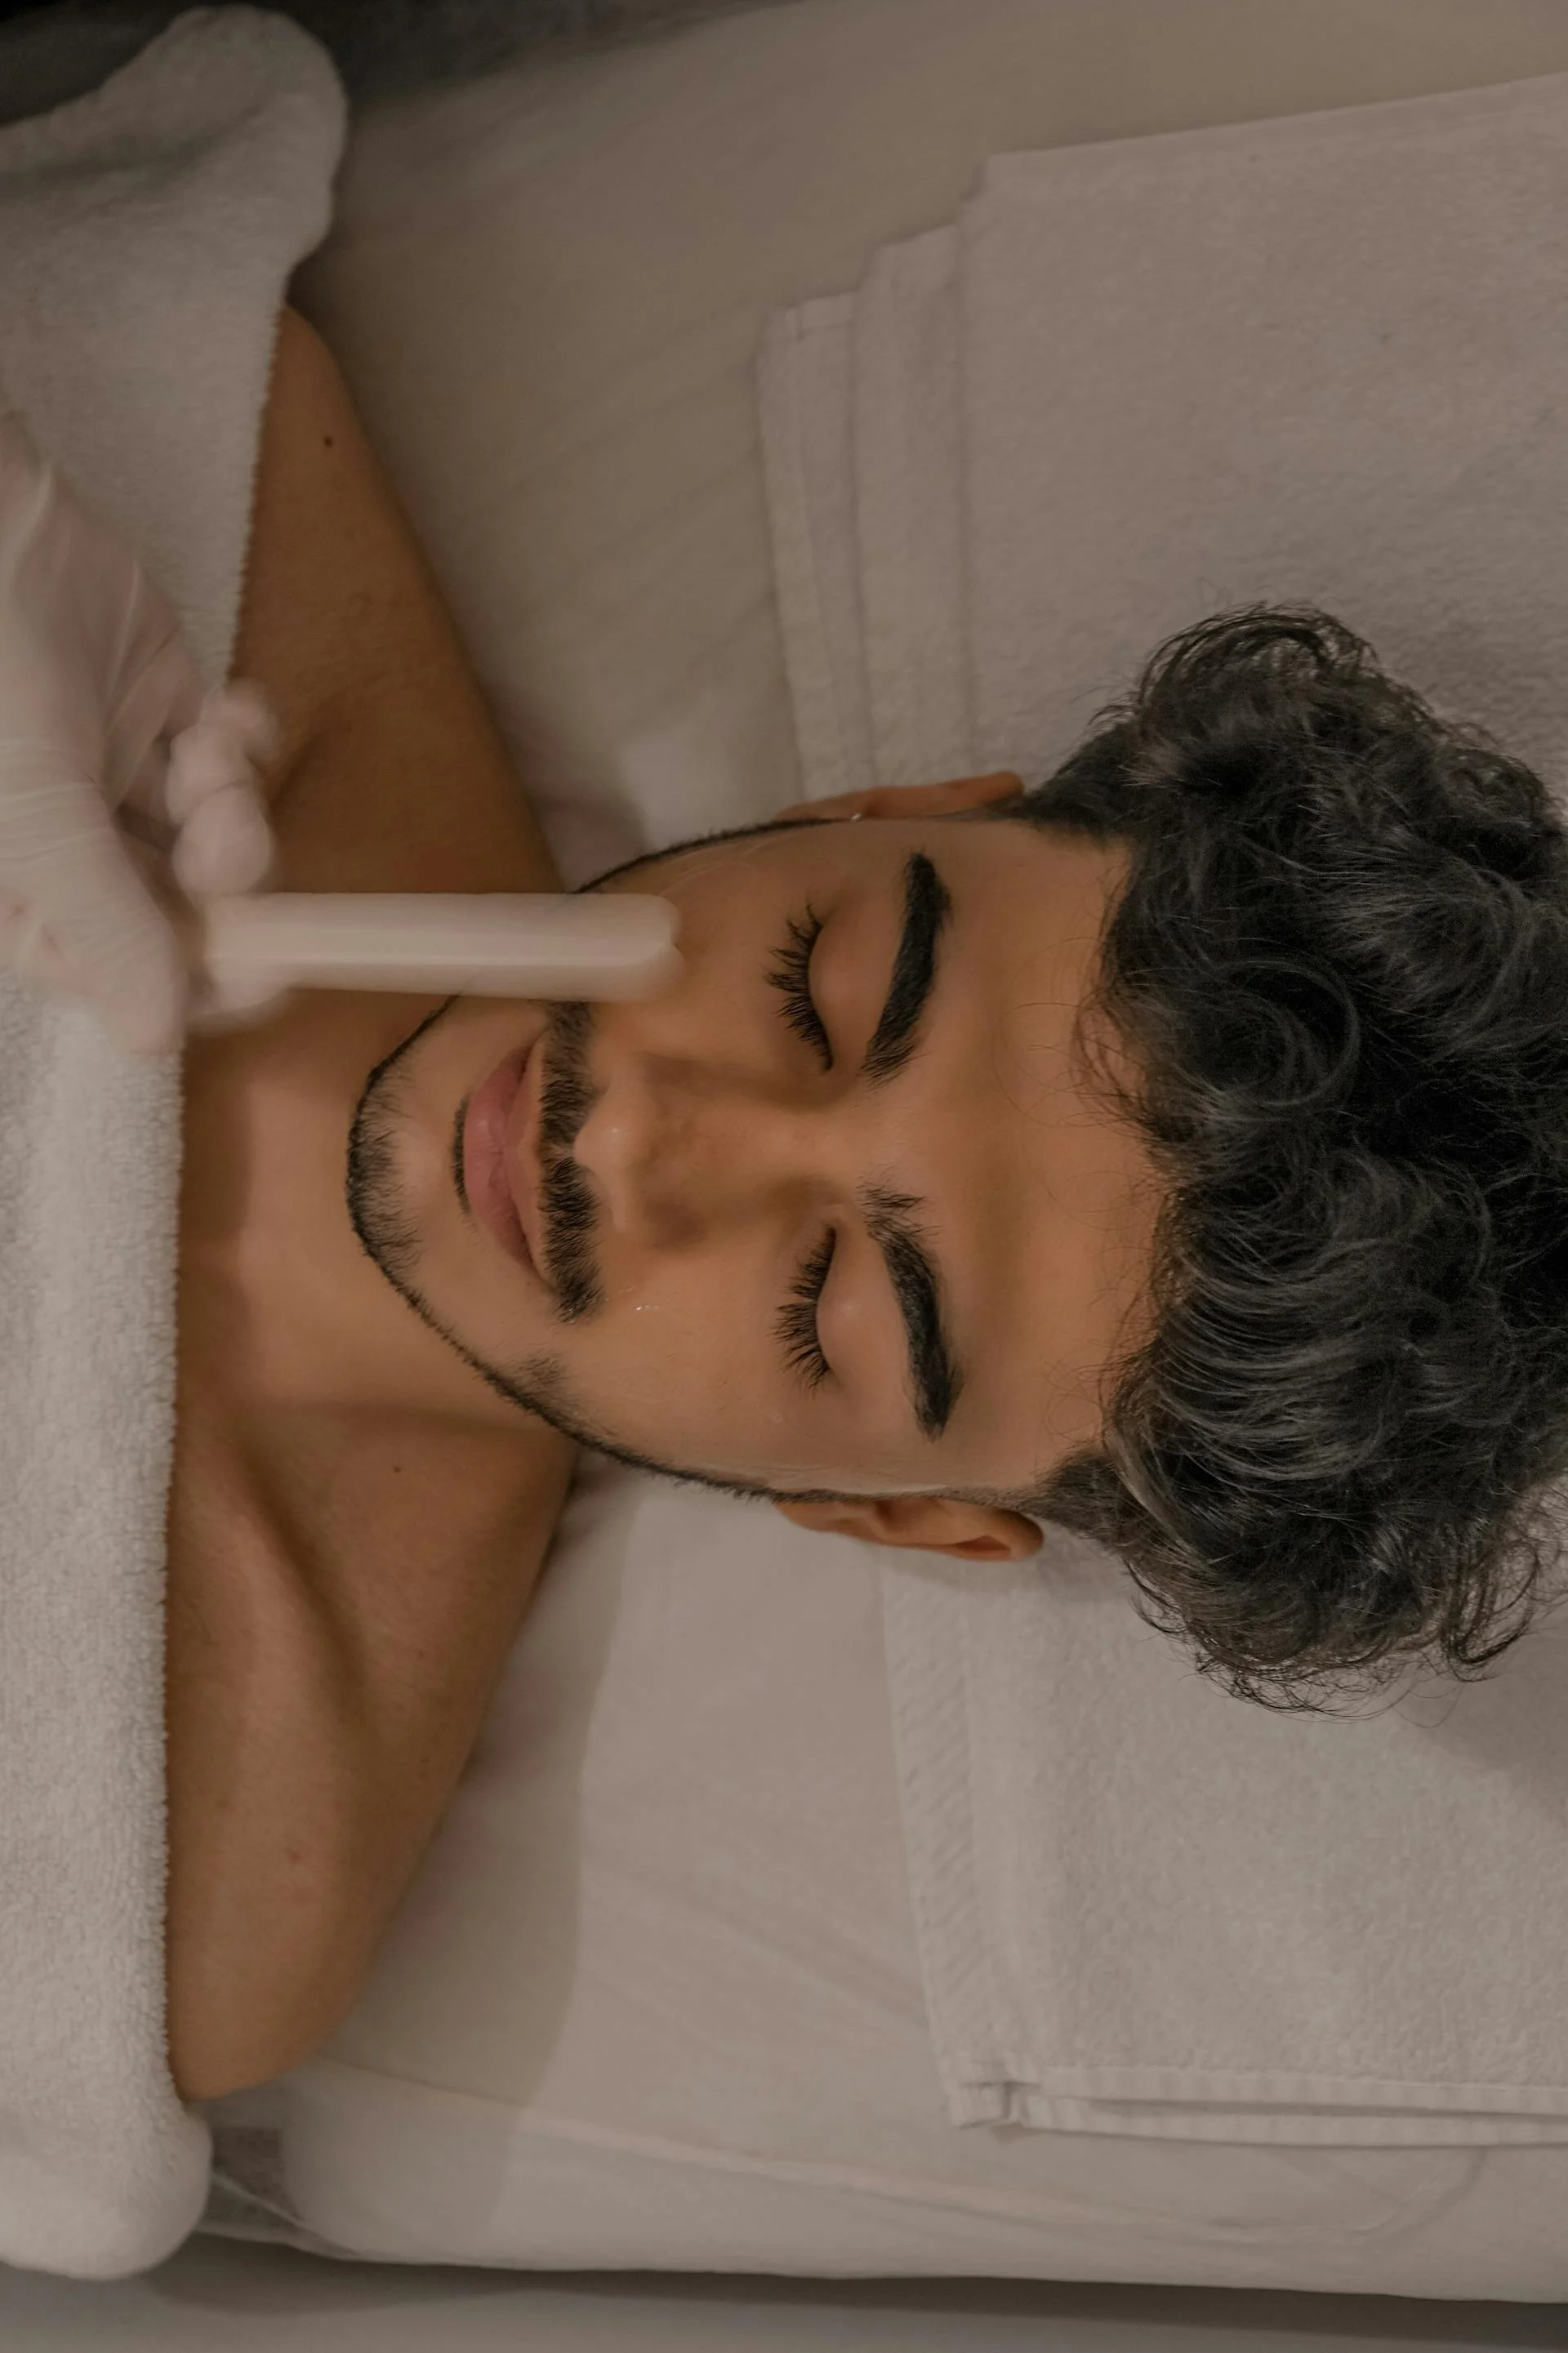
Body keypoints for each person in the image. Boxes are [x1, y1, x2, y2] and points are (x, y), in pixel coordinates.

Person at [16, 308, 1568, 2101]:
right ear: (871, 807)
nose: (658, 1143)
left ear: (904, 1513)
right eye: (820, 989)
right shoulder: (206, 478)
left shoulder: (179, 1879)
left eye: (843, 1294)